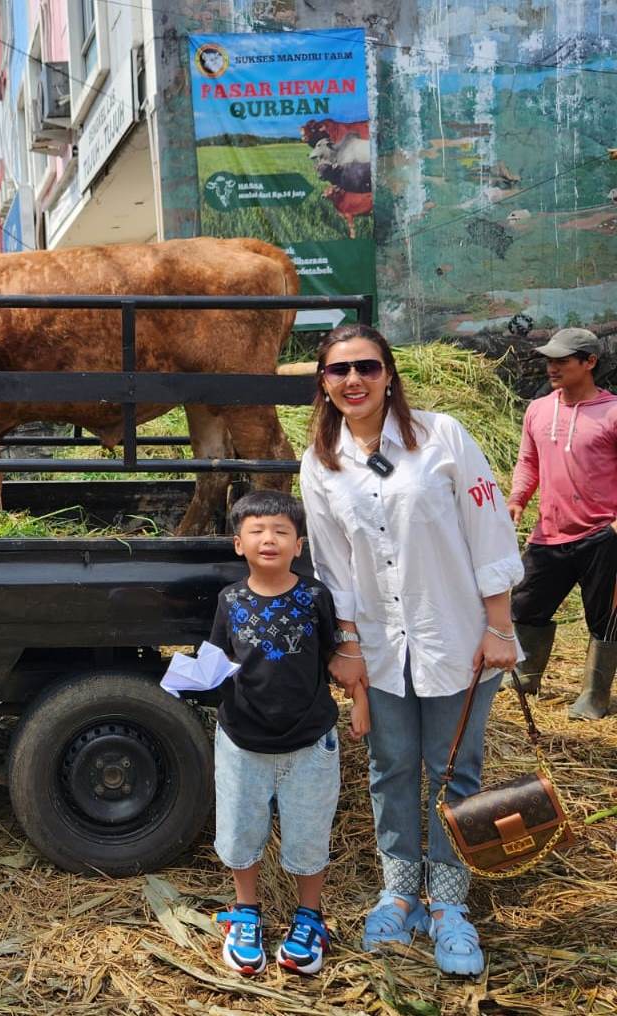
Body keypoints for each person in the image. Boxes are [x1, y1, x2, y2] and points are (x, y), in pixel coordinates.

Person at [299, 323, 523, 977]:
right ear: (324, 383)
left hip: (456, 634)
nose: (354, 381)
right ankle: (399, 893)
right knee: (391, 768)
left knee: (456, 772)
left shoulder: (442, 436)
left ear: (389, 373)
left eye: (367, 367)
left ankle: (451, 905)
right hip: (378, 642)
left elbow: (489, 529)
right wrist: (345, 645)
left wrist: (500, 626)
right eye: (339, 371)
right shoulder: (322, 460)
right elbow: (332, 565)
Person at [208, 490, 369, 977]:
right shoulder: (230, 600)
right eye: (256, 531)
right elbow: (218, 658)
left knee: (309, 832)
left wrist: (359, 703)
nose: (269, 539)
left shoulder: (315, 596)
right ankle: (246, 912)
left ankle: (309, 916)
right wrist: (192, 677)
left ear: (299, 544)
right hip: (242, 738)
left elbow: (338, 658)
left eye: (280, 531)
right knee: (239, 830)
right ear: (239, 544)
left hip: (310, 738)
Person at [505, 327, 617, 719]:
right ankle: (525, 675)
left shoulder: (613, 412)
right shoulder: (538, 409)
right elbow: (528, 462)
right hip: (549, 532)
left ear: (589, 362)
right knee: (525, 603)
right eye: (549, 360)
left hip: (603, 534)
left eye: (562, 360)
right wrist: (518, 498)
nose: (552, 367)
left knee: (604, 617)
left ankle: (594, 696)